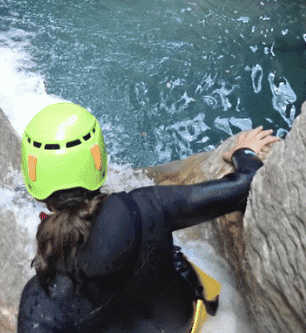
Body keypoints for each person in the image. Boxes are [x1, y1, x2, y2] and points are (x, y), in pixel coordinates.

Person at [17, 101, 279, 333]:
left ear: (34, 181)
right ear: (99, 161)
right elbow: (244, 186)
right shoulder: (145, 206)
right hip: (187, 324)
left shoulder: (38, 302)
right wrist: (243, 152)